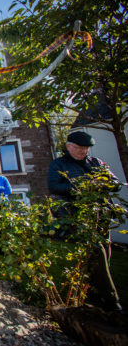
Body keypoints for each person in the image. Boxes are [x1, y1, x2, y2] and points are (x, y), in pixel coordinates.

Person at [47, 131, 123, 312]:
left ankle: (93, 293)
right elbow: (54, 186)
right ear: (69, 147)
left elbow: (116, 183)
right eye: (80, 148)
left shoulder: (95, 163)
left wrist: (103, 182)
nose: (84, 152)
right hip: (77, 216)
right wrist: (81, 184)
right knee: (96, 253)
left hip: (100, 215)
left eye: (86, 149)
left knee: (104, 255)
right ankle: (113, 301)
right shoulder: (59, 164)